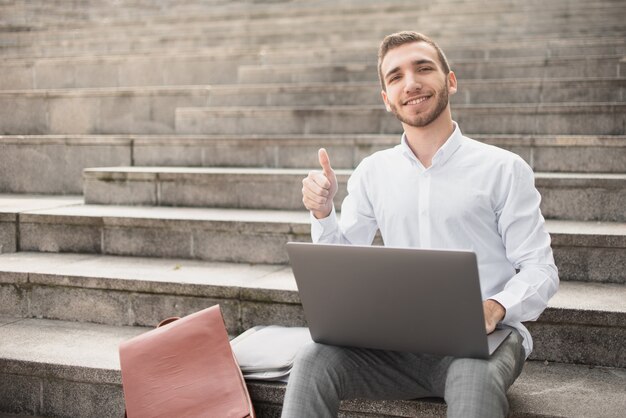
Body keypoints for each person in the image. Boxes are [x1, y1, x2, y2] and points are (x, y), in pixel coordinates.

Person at [283, 31, 559, 418]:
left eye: (423, 69)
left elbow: (540, 269)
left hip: (483, 341)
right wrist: (325, 213)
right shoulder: (373, 172)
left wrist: (494, 307)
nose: (410, 83)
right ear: (386, 99)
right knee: (313, 360)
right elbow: (343, 262)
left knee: (474, 382)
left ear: (450, 80)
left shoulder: (504, 169)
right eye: (395, 77)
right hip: (396, 343)